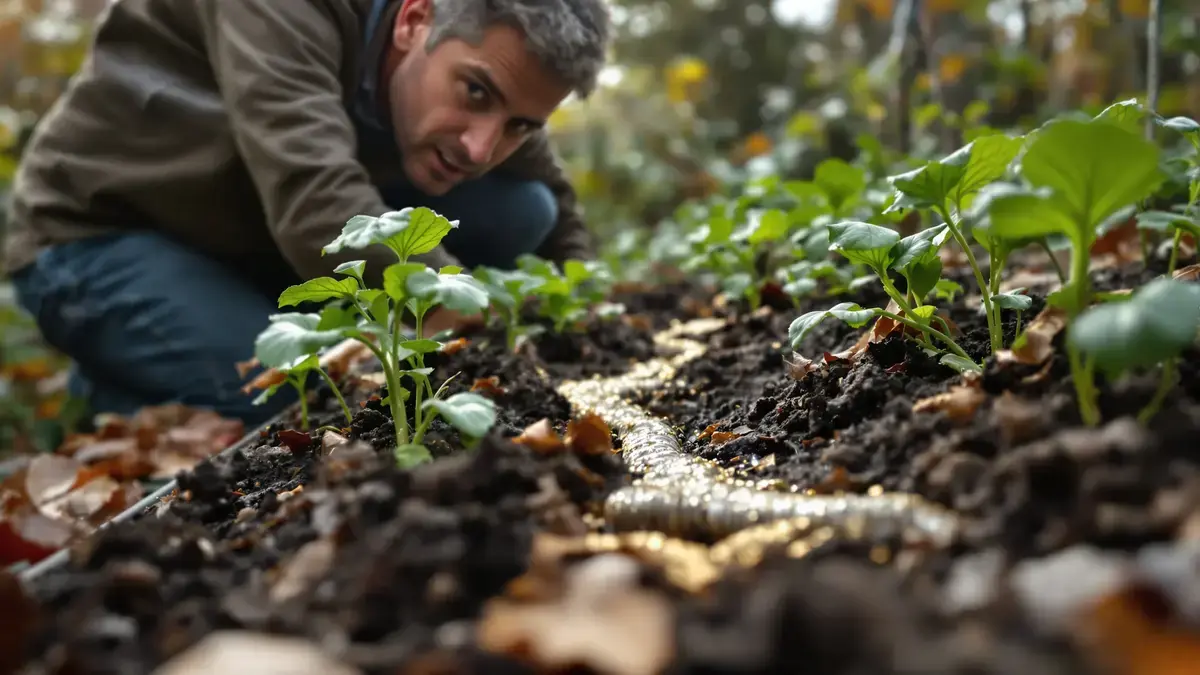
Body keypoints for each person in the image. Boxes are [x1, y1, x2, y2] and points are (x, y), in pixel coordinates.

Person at [2, 0, 610, 425]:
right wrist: (455, 318)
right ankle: (112, 389)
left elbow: (551, 192)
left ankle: (224, 327)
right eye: (475, 93)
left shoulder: (491, 64)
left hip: (248, 223)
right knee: (298, 394)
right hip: (106, 232)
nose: (481, 147)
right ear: (414, 19)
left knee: (525, 210)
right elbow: (315, 196)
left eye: (518, 125)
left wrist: (588, 310)